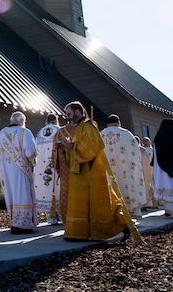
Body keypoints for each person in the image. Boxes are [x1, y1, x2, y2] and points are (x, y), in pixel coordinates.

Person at [58, 101, 129, 241]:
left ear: (77, 112)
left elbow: (94, 145)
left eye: (69, 113)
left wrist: (72, 146)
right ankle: (78, 232)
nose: (67, 117)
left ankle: (120, 225)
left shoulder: (88, 126)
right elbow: (77, 146)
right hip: (80, 171)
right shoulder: (79, 127)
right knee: (79, 202)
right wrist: (66, 148)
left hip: (90, 172)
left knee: (98, 202)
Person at [0, 111, 38, 234]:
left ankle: (14, 222)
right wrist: (34, 160)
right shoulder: (25, 132)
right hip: (21, 169)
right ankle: (23, 224)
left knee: (12, 194)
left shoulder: (0, 134)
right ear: (22, 121)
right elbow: (30, 152)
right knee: (23, 194)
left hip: (7, 172)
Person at [100, 114, 147, 219]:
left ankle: (113, 215)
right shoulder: (126, 134)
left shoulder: (101, 135)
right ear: (119, 122)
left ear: (107, 124)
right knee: (128, 186)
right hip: (125, 171)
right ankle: (131, 211)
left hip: (108, 171)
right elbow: (135, 153)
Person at [33, 114, 65, 225]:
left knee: (47, 189)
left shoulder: (40, 132)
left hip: (42, 166)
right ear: (56, 121)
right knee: (59, 187)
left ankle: (51, 218)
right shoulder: (60, 130)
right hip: (57, 164)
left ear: (47, 121)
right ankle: (61, 215)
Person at [138, 137, 156, 209]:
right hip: (146, 170)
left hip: (150, 169)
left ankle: (154, 203)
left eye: (147, 141)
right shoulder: (143, 150)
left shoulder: (151, 150)